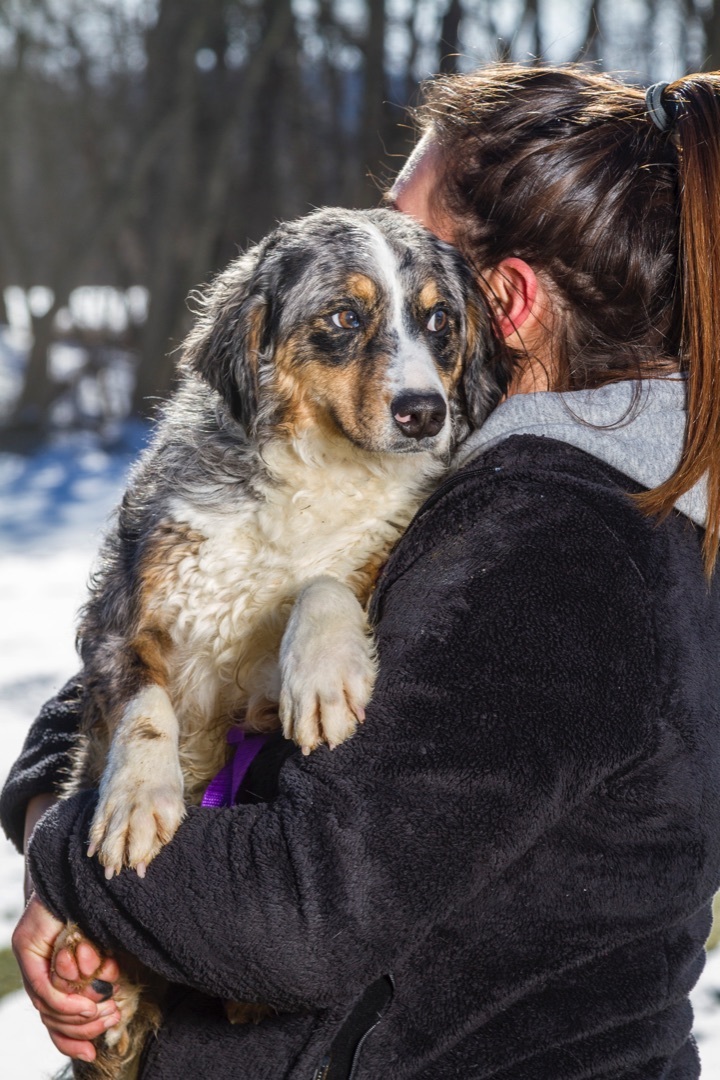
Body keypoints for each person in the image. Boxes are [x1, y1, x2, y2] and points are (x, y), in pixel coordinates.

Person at [4, 63, 720, 1079]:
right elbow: (156, 643)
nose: (361, 237)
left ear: (499, 302)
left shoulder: (555, 549)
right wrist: (67, 806)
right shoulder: (468, 486)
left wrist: (71, 861)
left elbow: (305, 913)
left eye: (399, 220)